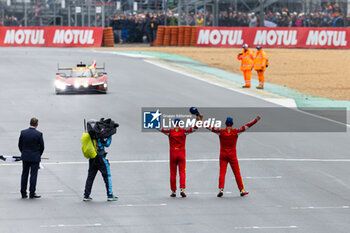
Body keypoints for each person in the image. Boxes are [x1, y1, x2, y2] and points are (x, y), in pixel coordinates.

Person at [207, 115, 261, 197]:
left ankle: (220, 189)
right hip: (232, 155)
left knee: (222, 172)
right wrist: (256, 120)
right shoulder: (236, 131)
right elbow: (247, 125)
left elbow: (210, 127)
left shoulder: (221, 131)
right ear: (232, 124)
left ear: (225, 124)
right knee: (237, 173)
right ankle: (241, 190)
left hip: (223, 154)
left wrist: (200, 121)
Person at [159, 116, 202, 198]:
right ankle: (182, 189)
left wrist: (151, 122)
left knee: (173, 173)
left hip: (173, 154)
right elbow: (195, 128)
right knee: (182, 172)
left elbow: (160, 128)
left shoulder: (170, 131)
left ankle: (173, 191)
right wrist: (198, 121)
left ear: (174, 124)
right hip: (181, 153)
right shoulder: (184, 131)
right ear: (180, 124)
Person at [83, 133, 117, 202]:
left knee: (90, 177)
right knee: (107, 176)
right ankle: (110, 195)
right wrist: (110, 136)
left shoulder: (91, 135)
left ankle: (86, 195)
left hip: (92, 157)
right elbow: (107, 144)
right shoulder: (100, 135)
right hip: (101, 157)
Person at [18, 117, 44, 199]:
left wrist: (23, 152)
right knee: (33, 175)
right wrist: (38, 154)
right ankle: (32, 193)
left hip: (25, 156)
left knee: (24, 174)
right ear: (37, 125)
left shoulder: (23, 132)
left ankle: (23, 193)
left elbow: (20, 145)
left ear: (30, 123)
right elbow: (42, 147)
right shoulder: (39, 134)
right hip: (35, 157)